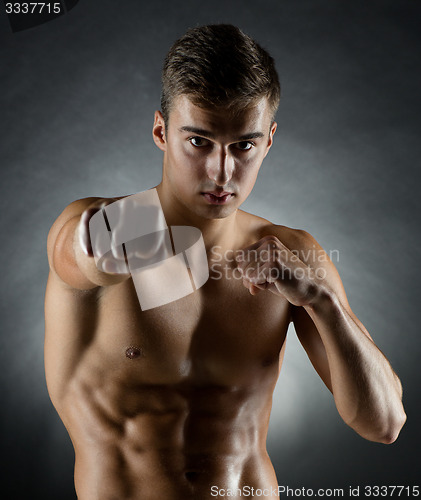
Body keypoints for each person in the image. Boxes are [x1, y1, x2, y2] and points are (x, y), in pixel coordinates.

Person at [45, 24, 406, 500]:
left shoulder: (291, 252)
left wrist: (322, 302)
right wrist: (101, 244)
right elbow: (81, 252)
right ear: (161, 130)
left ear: (269, 140)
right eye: (199, 141)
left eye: (243, 146)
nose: (222, 172)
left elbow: (383, 423)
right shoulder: (99, 226)